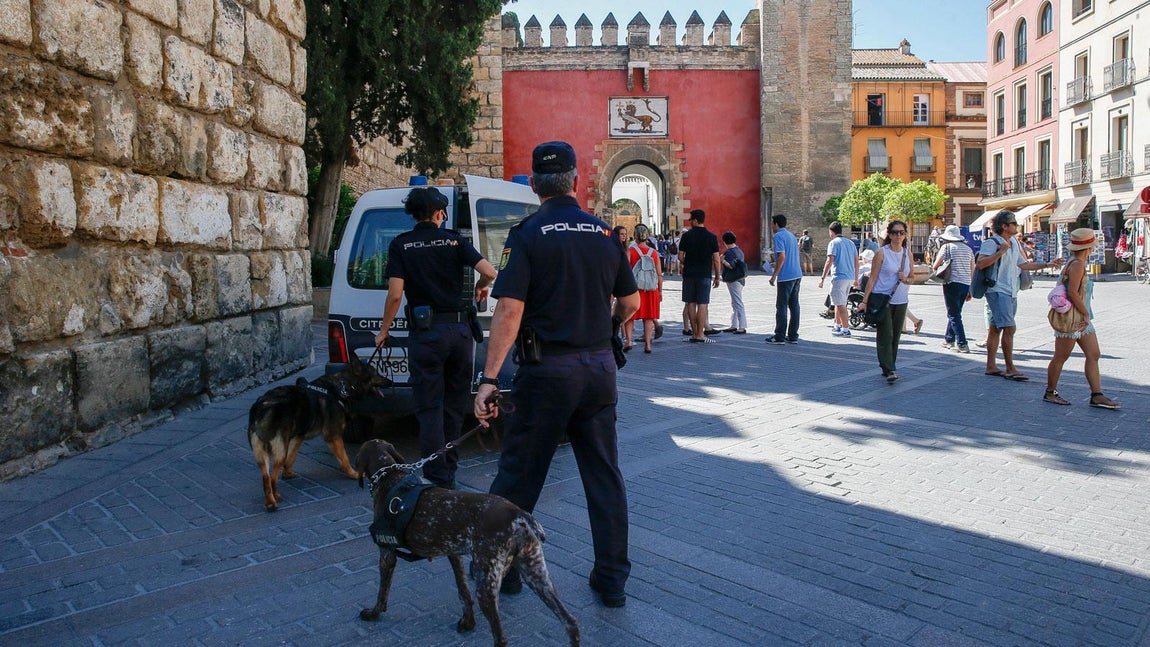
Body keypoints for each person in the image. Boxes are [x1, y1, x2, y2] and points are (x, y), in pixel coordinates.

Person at [473, 140, 639, 607]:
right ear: (575, 181)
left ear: (534, 184)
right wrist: (603, 330)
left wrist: (489, 379)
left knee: (520, 475)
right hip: (598, 369)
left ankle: (502, 571)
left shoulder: (527, 234)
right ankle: (611, 580)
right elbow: (630, 304)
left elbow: (508, 310)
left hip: (547, 373)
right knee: (604, 475)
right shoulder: (606, 235)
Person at [373, 186, 497, 489]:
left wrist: (384, 329)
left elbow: (395, 295)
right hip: (459, 333)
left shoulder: (401, 245)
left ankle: (434, 474)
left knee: (429, 407)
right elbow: (490, 272)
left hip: (426, 334)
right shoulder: (455, 240)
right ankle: (449, 471)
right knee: (454, 406)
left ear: (413, 214)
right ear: (440, 213)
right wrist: (482, 284)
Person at [977, 210, 1062, 381]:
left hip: (1010, 290)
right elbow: (980, 264)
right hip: (997, 290)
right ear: (1004, 226)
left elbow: (1023, 265)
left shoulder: (1014, 242)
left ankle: (991, 366)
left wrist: (1046, 264)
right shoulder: (992, 243)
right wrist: (1000, 252)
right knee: (1009, 327)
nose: (1017, 225)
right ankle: (1010, 368)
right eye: (1014, 223)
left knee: (995, 328)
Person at [1044, 228, 1120, 409]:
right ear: (1089, 248)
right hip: (1074, 318)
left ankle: (1097, 395)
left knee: (1093, 354)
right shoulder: (1077, 264)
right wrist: (1085, 313)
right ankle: (1050, 392)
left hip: (1080, 319)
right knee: (1061, 357)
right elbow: (1072, 292)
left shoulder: (1076, 262)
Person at [860, 220, 912, 383]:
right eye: (895, 232)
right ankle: (889, 368)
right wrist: (865, 300)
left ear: (905, 235)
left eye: (902, 232)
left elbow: (912, 277)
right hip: (883, 298)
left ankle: (889, 365)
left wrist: (906, 278)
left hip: (901, 300)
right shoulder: (882, 253)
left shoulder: (907, 254)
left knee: (896, 335)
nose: (898, 236)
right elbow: (873, 277)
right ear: (889, 235)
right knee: (885, 334)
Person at [677, 209, 721, 344]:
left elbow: (680, 256)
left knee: (690, 302)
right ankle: (701, 334)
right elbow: (716, 259)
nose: (690, 222)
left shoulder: (686, 236)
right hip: (704, 274)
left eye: (690, 220)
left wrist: (688, 262)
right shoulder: (711, 237)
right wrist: (718, 276)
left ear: (695, 220)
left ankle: (694, 333)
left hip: (689, 273)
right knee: (703, 303)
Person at [932, 224, 975, 352]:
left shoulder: (947, 247)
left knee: (954, 314)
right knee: (956, 312)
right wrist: (970, 288)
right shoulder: (968, 250)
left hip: (952, 283)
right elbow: (972, 269)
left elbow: (935, 265)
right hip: (966, 284)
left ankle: (962, 343)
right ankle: (949, 339)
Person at [624, 224, 663, 353]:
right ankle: (648, 345)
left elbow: (625, 270)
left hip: (634, 288)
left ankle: (629, 341)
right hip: (651, 289)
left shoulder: (631, 251)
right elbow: (659, 274)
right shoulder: (654, 253)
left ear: (635, 236)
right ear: (647, 237)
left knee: (630, 316)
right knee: (649, 317)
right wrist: (660, 291)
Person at [765, 214, 802, 344]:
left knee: (781, 306)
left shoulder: (778, 236)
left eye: (772, 224)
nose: (771, 226)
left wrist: (774, 275)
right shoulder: (791, 236)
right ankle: (793, 335)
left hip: (786, 275)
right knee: (794, 305)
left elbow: (782, 256)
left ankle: (779, 336)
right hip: (797, 273)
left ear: (776, 224)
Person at [818, 220, 858, 338]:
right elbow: (856, 261)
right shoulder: (850, 243)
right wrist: (856, 278)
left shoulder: (834, 243)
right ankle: (837, 325)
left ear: (831, 232)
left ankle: (846, 329)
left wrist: (822, 278)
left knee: (840, 305)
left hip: (839, 276)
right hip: (850, 277)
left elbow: (829, 261)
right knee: (839, 302)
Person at [719, 231, 748, 334]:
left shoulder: (729, 252)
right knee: (735, 302)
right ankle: (734, 324)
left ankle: (742, 326)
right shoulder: (739, 250)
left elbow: (731, 266)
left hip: (733, 279)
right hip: (740, 279)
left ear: (725, 242)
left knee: (737, 302)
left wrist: (722, 260)